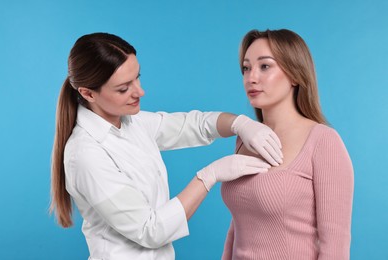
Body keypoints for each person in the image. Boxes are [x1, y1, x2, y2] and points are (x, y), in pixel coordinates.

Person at [49, 32, 284, 260]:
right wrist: (208, 176)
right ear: (88, 93)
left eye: (137, 77)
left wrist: (239, 123)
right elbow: (149, 230)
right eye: (123, 88)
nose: (140, 92)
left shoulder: (133, 122)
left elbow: (194, 125)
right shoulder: (85, 154)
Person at [221, 29, 354, 260]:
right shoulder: (246, 138)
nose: (251, 77)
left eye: (265, 66)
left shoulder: (323, 141)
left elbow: (335, 246)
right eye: (246, 68)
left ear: (294, 74)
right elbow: (239, 225)